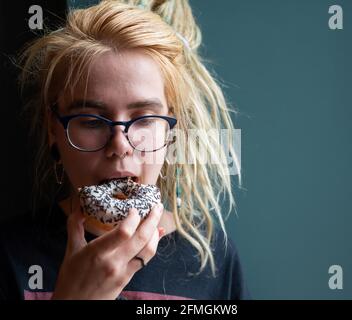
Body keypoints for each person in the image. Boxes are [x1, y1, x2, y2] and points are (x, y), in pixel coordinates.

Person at [0, 0, 249, 300]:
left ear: (171, 131)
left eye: (144, 119)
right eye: (91, 121)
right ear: (54, 129)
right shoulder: (10, 256)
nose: (119, 145)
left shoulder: (212, 261)